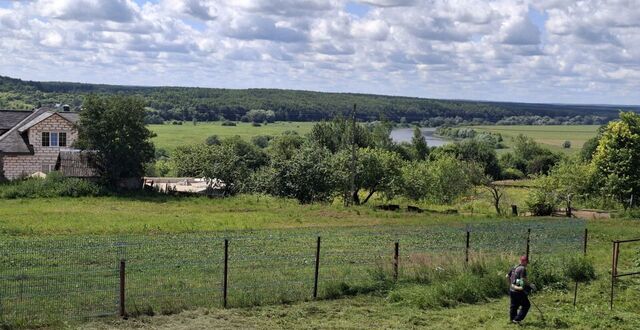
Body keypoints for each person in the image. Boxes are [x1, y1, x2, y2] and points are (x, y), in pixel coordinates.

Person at [507, 255, 530, 324]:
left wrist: (511, 285)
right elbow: (523, 279)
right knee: (526, 305)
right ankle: (517, 319)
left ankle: (512, 319)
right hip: (518, 291)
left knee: (514, 305)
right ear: (524, 262)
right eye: (527, 262)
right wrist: (524, 287)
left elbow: (507, 276)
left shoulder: (514, 267)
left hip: (512, 290)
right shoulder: (522, 269)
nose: (527, 264)